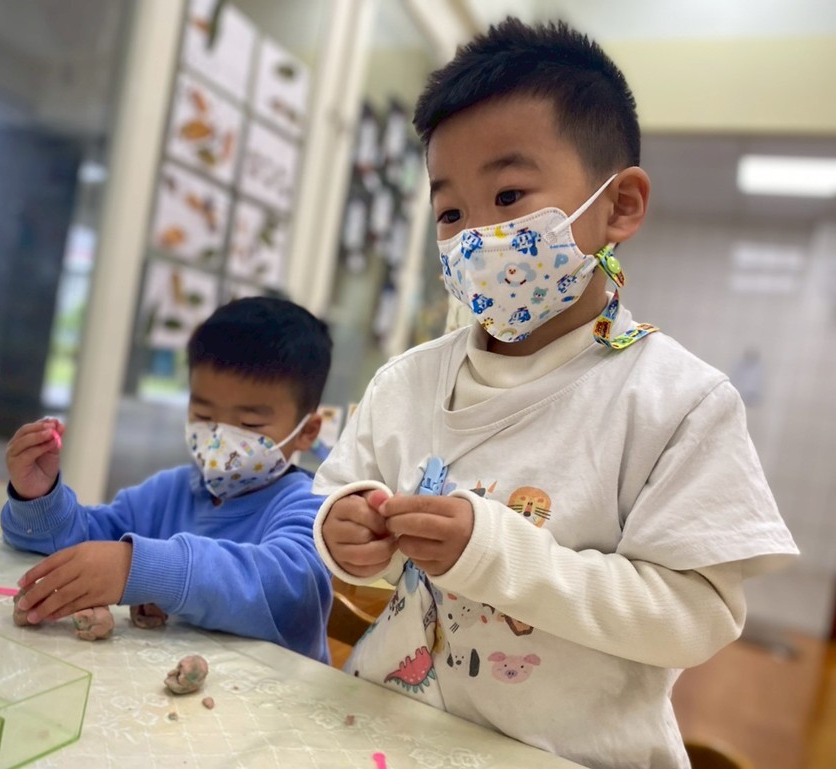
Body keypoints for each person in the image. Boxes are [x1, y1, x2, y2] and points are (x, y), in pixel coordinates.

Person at [312, 17, 798, 768]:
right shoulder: (406, 382)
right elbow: (334, 511)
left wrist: (493, 552)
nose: (475, 237)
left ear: (619, 205)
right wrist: (343, 532)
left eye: (509, 195)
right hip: (388, 731)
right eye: (450, 213)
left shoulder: (678, 402)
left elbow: (695, 616)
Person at [2, 296, 334, 663]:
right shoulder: (169, 492)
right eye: (203, 415)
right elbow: (80, 544)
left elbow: (284, 590)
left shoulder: (316, 510)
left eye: (249, 424)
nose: (220, 438)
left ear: (308, 432)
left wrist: (137, 568)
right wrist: (39, 497)